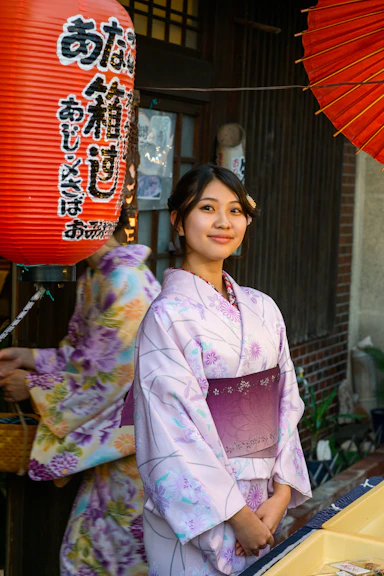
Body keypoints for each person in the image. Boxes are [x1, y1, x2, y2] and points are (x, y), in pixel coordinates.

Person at [123, 164, 312, 575]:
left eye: (236, 210)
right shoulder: (166, 316)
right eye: (207, 208)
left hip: (263, 498)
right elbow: (170, 432)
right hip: (201, 509)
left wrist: (280, 494)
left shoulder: (263, 307)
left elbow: (287, 403)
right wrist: (237, 516)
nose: (224, 222)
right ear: (178, 220)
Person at [0, 209, 161, 576]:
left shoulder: (126, 281)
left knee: (106, 558)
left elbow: (113, 377)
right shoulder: (100, 274)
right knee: (91, 554)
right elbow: (89, 359)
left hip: (133, 453)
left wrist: (32, 386)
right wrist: (32, 359)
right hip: (114, 454)